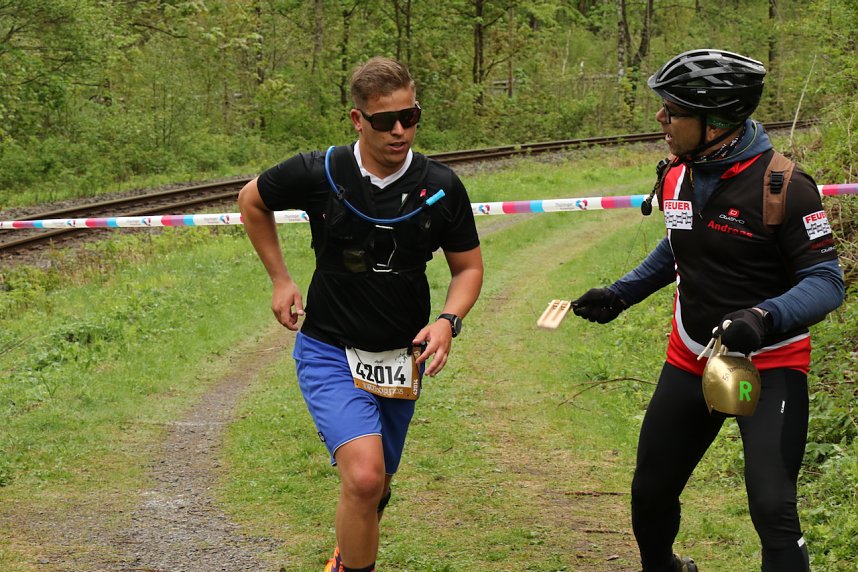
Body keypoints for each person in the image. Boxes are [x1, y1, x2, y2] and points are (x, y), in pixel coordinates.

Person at [571, 49, 844, 572]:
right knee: (650, 492)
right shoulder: (678, 174)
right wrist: (621, 292)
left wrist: (762, 318)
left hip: (770, 365)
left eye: (672, 110)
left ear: (714, 120)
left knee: (772, 508)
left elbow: (826, 282)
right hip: (691, 354)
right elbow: (677, 247)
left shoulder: (786, 187)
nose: (661, 119)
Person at [238, 56, 483, 572]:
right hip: (329, 348)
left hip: (400, 359)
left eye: (410, 116)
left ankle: (346, 553)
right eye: (384, 121)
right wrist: (281, 279)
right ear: (357, 120)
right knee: (365, 478)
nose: (400, 131)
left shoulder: (440, 185)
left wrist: (448, 321)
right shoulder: (318, 171)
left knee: (376, 487)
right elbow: (251, 200)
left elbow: (468, 269)